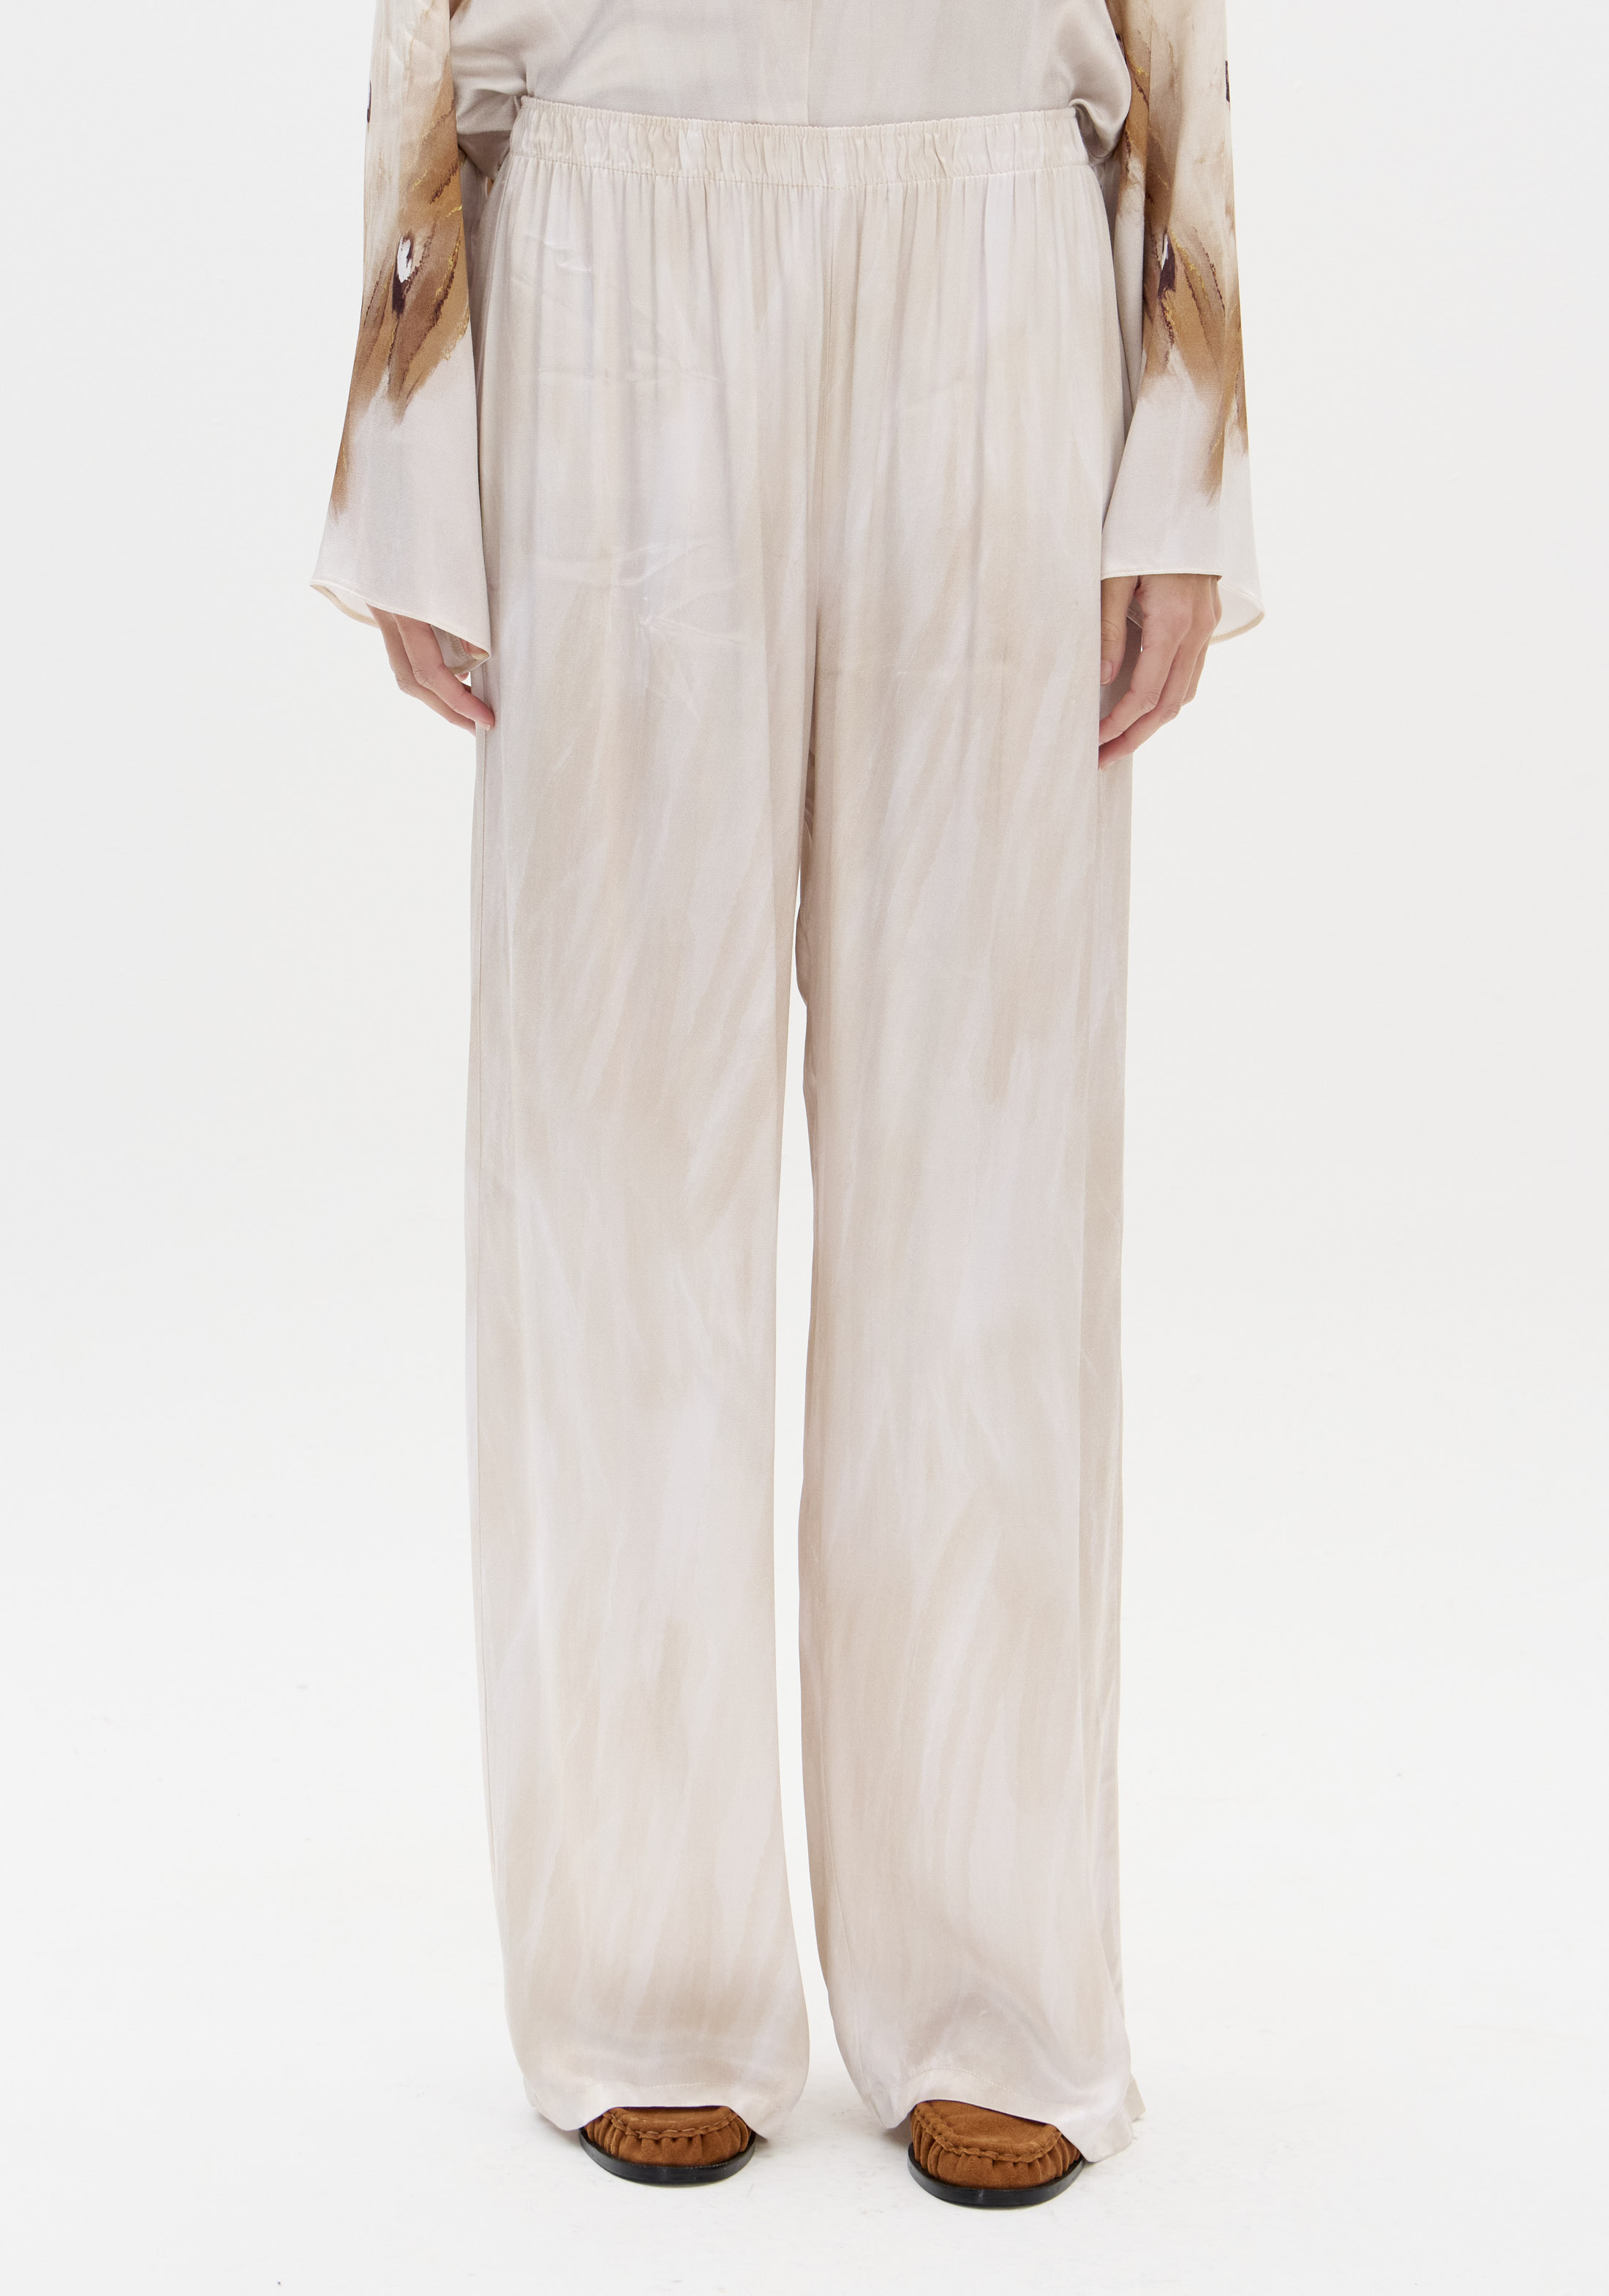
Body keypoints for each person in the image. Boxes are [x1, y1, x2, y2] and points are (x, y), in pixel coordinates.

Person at [313, 0, 1259, 2208]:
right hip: (607, 227)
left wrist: (1188, 435)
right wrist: (407, 408)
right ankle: (647, 1965)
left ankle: (994, 1974)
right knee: (615, 1159)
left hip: (998, 234)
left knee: (987, 1159)